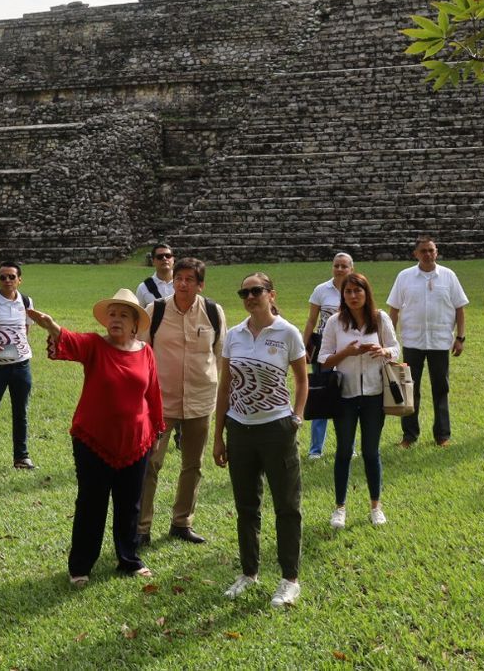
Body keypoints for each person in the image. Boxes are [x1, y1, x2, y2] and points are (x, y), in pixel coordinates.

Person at [32, 289, 164, 584]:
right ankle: (80, 566)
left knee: (130, 503)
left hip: (136, 440)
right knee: (92, 503)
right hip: (93, 439)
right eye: (112, 315)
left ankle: (128, 559)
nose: (116, 320)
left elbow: (153, 393)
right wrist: (52, 326)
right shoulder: (94, 345)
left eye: (123, 316)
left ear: (134, 324)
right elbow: (71, 340)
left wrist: (157, 429)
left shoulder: (145, 352)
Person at [213, 272, 308, 608]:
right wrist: (219, 436)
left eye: (256, 291)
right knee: (246, 506)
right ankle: (249, 572)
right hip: (239, 430)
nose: (250, 297)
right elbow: (224, 387)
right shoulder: (235, 335)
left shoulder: (288, 333)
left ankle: (289, 579)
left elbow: (301, 380)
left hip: (276, 430)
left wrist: (295, 417)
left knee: (286, 505)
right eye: (244, 292)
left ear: (271, 294)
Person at [136, 257, 225, 547]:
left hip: (201, 399)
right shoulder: (156, 310)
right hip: (161, 401)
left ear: (200, 285)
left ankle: (182, 522)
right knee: (151, 463)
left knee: (193, 465)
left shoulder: (213, 311)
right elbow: (140, 353)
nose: (183, 284)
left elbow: (220, 355)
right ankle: (141, 528)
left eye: (189, 279)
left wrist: (219, 390)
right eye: (178, 278)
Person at [317, 272, 398, 528]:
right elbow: (323, 359)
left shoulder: (380, 318)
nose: (353, 296)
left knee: (371, 452)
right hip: (345, 396)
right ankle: (340, 507)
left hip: (374, 394)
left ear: (366, 292)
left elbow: (396, 348)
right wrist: (347, 352)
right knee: (343, 451)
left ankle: (376, 506)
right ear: (342, 295)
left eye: (358, 291)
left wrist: (383, 351)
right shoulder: (334, 322)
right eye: (348, 292)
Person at [0, 261, 59, 477]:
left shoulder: (26, 302)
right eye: (3, 277)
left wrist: (15, 347)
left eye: (11, 277)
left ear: (19, 280)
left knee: (21, 413)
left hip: (21, 366)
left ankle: (21, 457)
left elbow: (25, 328)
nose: (7, 281)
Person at [385, 235, 469, 447]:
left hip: (440, 343)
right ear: (416, 254)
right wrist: (389, 339)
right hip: (412, 342)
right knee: (409, 388)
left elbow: (460, 308)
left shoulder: (448, 276)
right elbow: (393, 309)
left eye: (431, 250)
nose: (428, 255)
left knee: (441, 389)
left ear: (437, 252)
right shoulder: (404, 276)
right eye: (423, 251)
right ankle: (409, 435)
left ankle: (442, 435)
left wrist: (460, 337)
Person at [303, 252, 355, 459]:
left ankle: (348, 447)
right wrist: (303, 345)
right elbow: (311, 320)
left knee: (347, 399)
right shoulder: (321, 290)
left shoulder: (354, 290)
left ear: (351, 268)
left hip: (348, 351)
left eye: (344, 266)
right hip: (324, 351)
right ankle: (316, 449)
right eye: (337, 265)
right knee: (320, 397)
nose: (340, 269)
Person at [136, 242, 177, 309]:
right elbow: (139, 315)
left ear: (173, 259)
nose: (164, 258)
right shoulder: (143, 288)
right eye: (160, 257)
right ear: (153, 261)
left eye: (168, 256)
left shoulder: (183, 284)